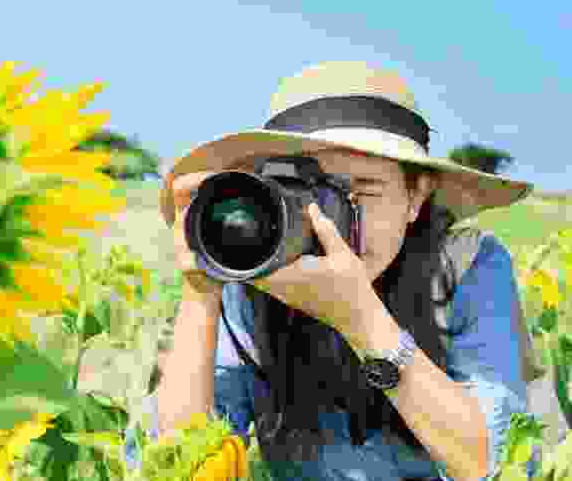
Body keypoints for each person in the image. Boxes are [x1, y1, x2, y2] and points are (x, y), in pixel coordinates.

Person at [127, 61, 541, 481]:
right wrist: (202, 290)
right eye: (309, 188)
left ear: (415, 197)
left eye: (362, 189)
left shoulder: (467, 264)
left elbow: (501, 463)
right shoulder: (256, 272)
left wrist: (361, 319)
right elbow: (181, 460)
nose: (331, 219)